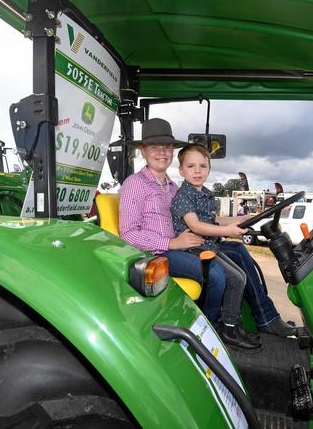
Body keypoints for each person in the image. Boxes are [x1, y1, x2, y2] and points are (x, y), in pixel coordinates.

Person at [119, 118, 296, 338]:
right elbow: (127, 234)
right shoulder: (134, 185)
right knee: (217, 275)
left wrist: (235, 221)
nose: (162, 152)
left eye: (167, 147)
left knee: (239, 252)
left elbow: (202, 219)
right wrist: (172, 243)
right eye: (154, 147)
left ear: (173, 152)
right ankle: (211, 331)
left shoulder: (173, 187)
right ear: (143, 151)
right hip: (157, 255)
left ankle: (266, 318)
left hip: (185, 245)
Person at [171, 144, 259, 348]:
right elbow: (196, 225)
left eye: (203, 166)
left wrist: (243, 218)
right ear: (181, 170)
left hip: (209, 247)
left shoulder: (206, 194)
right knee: (235, 278)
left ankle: (233, 324)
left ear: (209, 170)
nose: (197, 171)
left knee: (241, 276)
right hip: (194, 248)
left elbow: (214, 220)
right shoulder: (183, 196)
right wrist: (227, 232)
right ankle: (225, 327)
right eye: (191, 166)